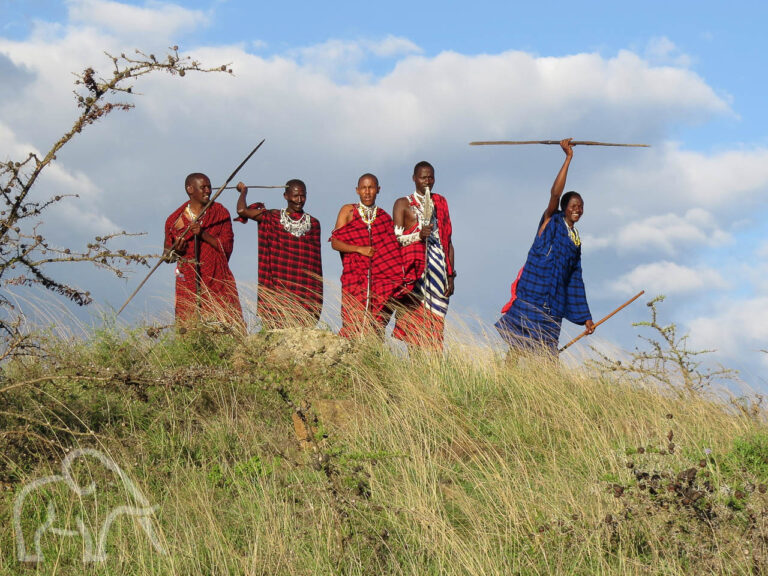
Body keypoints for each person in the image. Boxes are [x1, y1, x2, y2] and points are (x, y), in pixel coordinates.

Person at [495, 138, 595, 353]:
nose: (578, 209)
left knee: (548, 356)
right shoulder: (550, 220)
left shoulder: (575, 241)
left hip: (553, 303)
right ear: (564, 208)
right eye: (574, 206)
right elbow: (555, 194)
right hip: (532, 296)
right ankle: (505, 383)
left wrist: (586, 317)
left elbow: (575, 278)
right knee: (517, 348)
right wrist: (568, 158)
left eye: (581, 206)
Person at [235, 179, 323, 329]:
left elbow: (315, 262)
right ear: (286, 196)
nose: (299, 200)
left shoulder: (313, 223)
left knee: (303, 327)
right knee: (279, 324)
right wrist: (244, 192)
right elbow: (242, 211)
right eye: (295, 196)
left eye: (303, 196)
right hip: (280, 284)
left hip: (305, 286)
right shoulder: (272, 217)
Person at [331, 173, 406, 338]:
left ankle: (371, 356)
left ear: (378, 190)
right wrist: (359, 249)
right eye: (363, 188)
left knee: (376, 325)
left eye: (371, 188)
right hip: (354, 276)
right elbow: (335, 243)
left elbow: (390, 253)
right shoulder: (349, 211)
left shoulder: (384, 218)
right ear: (357, 190)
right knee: (352, 319)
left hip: (378, 281)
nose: (367, 192)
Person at [164, 173, 243, 327]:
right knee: (189, 322)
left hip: (217, 276)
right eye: (203, 187)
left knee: (224, 321)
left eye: (209, 187)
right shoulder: (174, 220)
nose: (208, 191)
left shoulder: (220, 213)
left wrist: (203, 234)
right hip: (187, 278)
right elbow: (167, 255)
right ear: (190, 189)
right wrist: (177, 251)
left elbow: (227, 246)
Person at [391, 161, 455, 349]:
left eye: (431, 177)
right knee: (414, 322)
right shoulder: (403, 203)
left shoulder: (440, 202)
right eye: (423, 177)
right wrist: (418, 235)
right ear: (414, 178)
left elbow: (448, 241)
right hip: (415, 272)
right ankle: (415, 367)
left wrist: (450, 275)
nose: (427, 180)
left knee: (436, 322)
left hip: (438, 270)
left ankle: (434, 368)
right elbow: (396, 239)